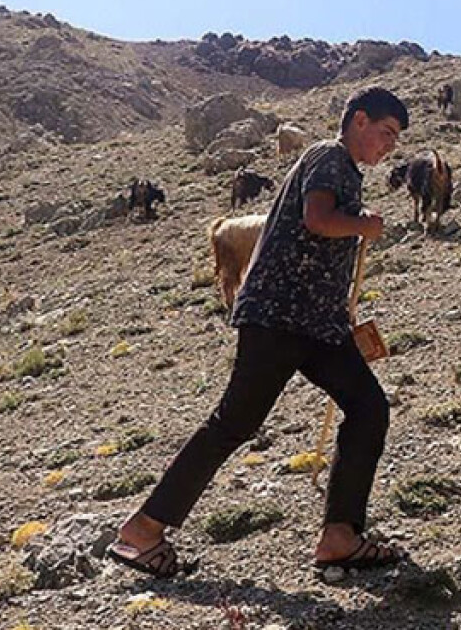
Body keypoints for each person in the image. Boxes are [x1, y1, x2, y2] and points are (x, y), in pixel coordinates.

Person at [108, 86, 409, 577]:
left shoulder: (340, 168)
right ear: (358, 120)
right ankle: (141, 531)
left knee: (369, 407)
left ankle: (340, 535)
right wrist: (362, 225)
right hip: (279, 317)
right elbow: (317, 220)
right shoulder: (330, 157)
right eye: (386, 132)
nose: (390, 145)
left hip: (315, 324)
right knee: (235, 422)